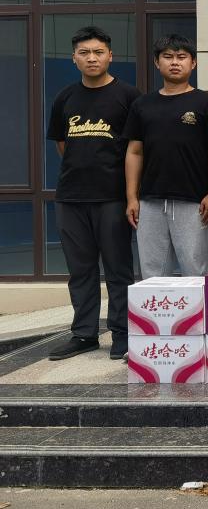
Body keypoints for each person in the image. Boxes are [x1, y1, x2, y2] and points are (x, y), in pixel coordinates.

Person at [46, 26, 141, 361]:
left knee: (118, 269)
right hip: (70, 197)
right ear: (74, 58)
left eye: (98, 52)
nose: (92, 58)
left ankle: (122, 333)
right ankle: (84, 334)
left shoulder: (128, 96)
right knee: (80, 270)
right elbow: (62, 143)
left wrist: (131, 195)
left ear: (110, 56)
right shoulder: (65, 97)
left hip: (112, 197)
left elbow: (136, 148)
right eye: (84, 53)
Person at [124, 34, 208, 279]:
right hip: (150, 201)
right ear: (157, 63)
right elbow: (134, 151)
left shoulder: (207, 103)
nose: (175, 62)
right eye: (167, 57)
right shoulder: (142, 104)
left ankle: (198, 309)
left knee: (195, 270)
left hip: (194, 200)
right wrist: (132, 197)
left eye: (181, 57)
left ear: (193, 63)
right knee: (152, 273)